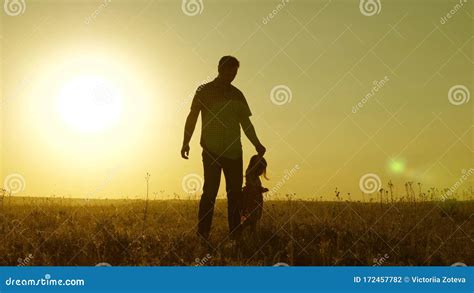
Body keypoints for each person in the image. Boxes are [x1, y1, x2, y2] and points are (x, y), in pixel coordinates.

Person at [181, 56, 266, 240]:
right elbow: (192, 116)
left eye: (235, 72)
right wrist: (185, 141)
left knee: (235, 195)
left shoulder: (237, 94)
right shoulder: (204, 91)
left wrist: (257, 143)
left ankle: (235, 235)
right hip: (211, 151)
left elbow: (246, 123)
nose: (232, 75)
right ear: (220, 69)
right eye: (229, 70)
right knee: (209, 193)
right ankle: (203, 233)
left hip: (234, 152)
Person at [240, 155, 269, 234]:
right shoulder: (249, 173)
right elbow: (252, 186)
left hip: (256, 200)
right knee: (248, 217)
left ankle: (252, 234)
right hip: (250, 199)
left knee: (254, 218)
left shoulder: (256, 177)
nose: (261, 172)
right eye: (261, 169)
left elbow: (257, 187)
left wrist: (262, 189)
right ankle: (240, 231)